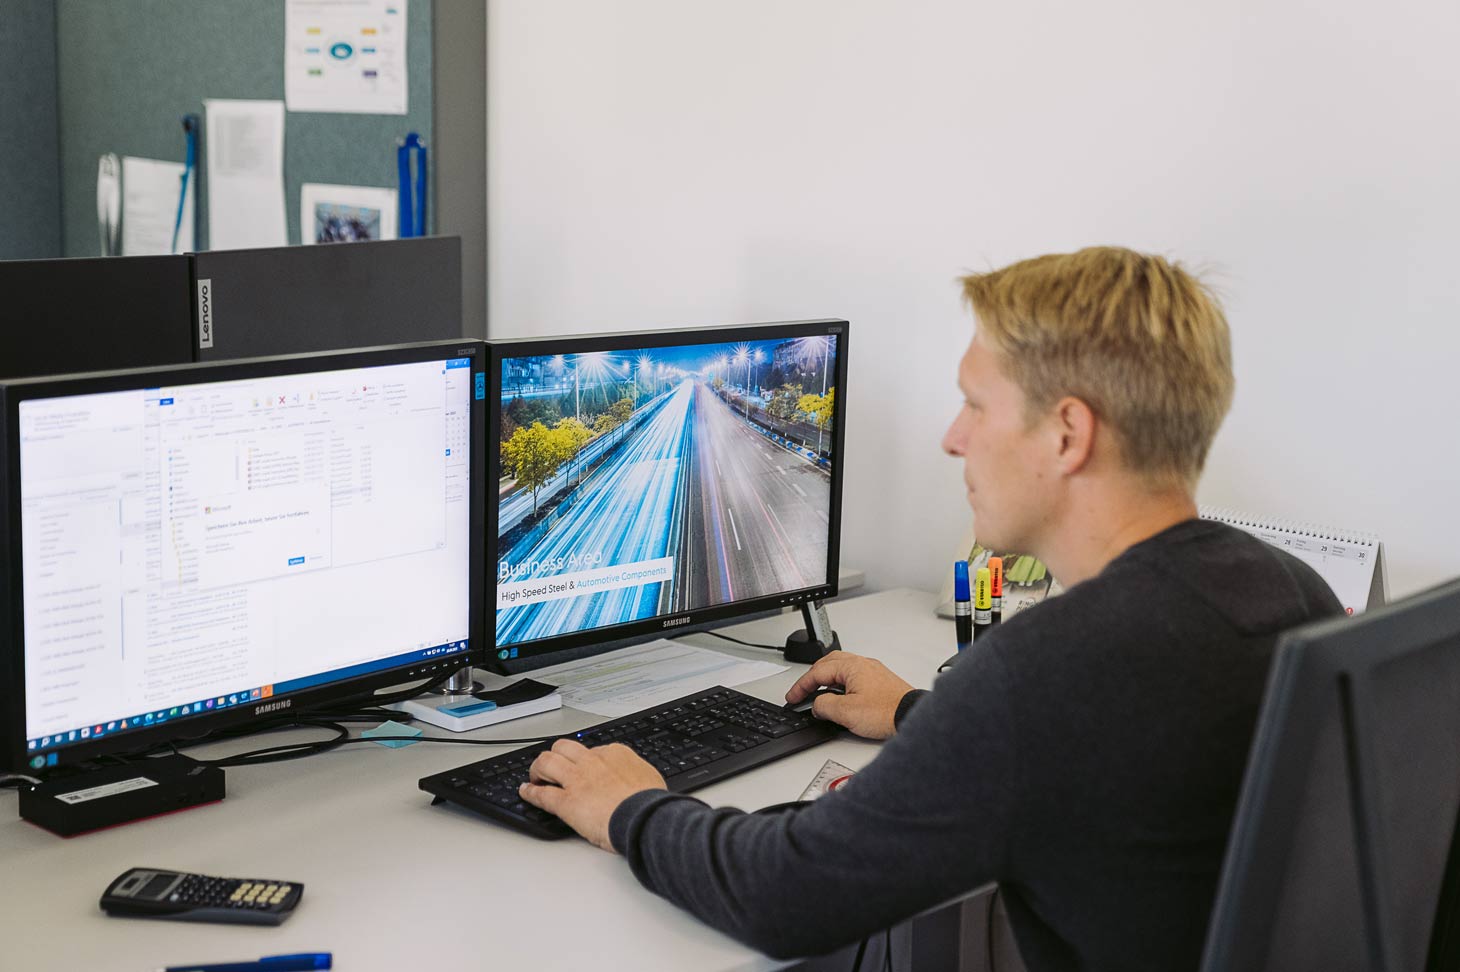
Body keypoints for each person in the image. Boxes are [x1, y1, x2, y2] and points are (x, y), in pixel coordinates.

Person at [518, 247, 1342, 971]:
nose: (953, 437)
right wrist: (918, 711)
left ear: (1067, 435)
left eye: (976, 405)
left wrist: (627, 807)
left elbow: (787, 896)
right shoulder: (1286, 587)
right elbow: (1107, 761)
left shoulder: (1045, 670)